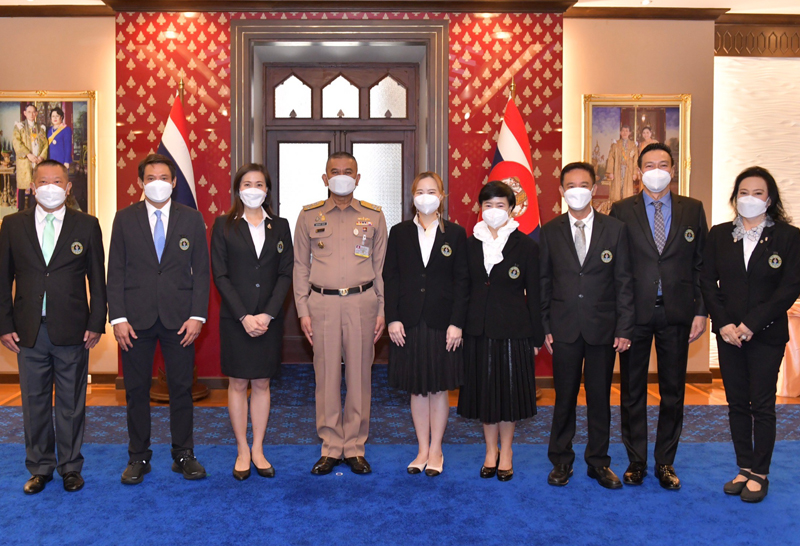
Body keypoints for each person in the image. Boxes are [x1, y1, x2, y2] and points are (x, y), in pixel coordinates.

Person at [0, 159, 106, 495]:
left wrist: (96, 322)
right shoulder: (12, 225)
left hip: (73, 330)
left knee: (71, 403)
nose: (50, 187)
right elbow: (2, 279)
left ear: (68, 187)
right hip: (28, 331)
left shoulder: (87, 225)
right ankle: (40, 468)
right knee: (34, 403)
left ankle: (71, 467)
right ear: (32, 187)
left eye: (57, 181)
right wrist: (3, 324)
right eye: (43, 181)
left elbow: (97, 279)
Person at [609, 143, 708, 490]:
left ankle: (665, 461)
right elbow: (617, 268)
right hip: (634, 314)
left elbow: (701, 265)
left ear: (673, 169)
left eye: (663, 164)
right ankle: (636, 461)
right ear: (639, 172)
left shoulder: (692, 209)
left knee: (673, 391)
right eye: (649, 165)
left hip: (677, 312)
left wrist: (701, 310)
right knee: (632, 390)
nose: (656, 170)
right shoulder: (621, 210)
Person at [107, 154, 210, 485]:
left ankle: (184, 454)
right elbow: (115, 271)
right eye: (150, 178)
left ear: (174, 182)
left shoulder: (192, 218)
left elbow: (202, 271)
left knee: (181, 388)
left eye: (164, 177)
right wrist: (118, 317)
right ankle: (138, 456)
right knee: (136, 391)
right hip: (134, 320)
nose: (157, 183)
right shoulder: (124, 218)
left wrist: (197, 316)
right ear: (140, 182)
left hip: (180, 319)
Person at [701, 166, 800, 503]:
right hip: (728, 334)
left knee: (763, 404)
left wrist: (752, 324)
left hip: (766, 334)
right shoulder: (719, 235)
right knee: (736, 403)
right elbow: (707, 283)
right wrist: (724, 323)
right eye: (744, 192)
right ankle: (743, 467)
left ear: (769, 199)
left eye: (758, 193)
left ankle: (760, 472)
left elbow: (789, 288)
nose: (750, 198)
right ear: (735, 197)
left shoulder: (788, 237)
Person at [541, 162, 634, 489]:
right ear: (561, 191)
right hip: (563, 328)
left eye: (584, 185)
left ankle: (598, 462)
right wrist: (544, 324)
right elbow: (543, 282)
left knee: (599, 398)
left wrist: (624, 327)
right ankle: (561, 460)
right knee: (564, 397)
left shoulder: (615, 229)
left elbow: (624, 282)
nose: (577, 191)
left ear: (594, 189)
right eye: (571, 186)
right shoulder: (550, 231)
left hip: (603, 328)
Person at [293, 151, 387, 475]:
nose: (341, 176)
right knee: (326, 378)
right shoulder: (308, 216)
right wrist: (302, 309)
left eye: (348, 171)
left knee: (360, 377)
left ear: (358, 178)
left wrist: (382, 309)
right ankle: (331, 447)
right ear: (325, 178)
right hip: (323, 305)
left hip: (363, 303)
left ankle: (355, 447)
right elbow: (300, 266)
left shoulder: (374, 216)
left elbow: (381, 268)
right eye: (335, 171)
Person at [457, 181, 543, 482]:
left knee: (508, 395)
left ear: (512, 209)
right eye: (488, 205)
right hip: (478, 330)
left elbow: (536, 295)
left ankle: (506, 451)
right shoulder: (469, 244)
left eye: (500, 205)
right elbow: (463, 289)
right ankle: (490, 451)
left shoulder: (527, 246)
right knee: (485, 394)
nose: (493, 211)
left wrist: (536, 337)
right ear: (480, 208)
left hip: (513, 331)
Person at [211, 164, 293, 480]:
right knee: (237, 383)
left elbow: (285, 273)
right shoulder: (224, 225)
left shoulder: (280, 226)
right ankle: (242, 449)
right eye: (247, 183)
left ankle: (258, 448)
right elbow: (220, 275)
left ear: (267, 189)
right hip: (236, 319)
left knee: (261, 383)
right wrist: (244, 316)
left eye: (259, 183)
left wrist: (267, 314)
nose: (253, 189)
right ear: (238, 189)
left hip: (268, 320)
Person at [384, 172, 468, 477]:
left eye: (432, 191)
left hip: (442, 323)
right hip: (408, 321)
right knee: (417, 388)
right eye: (420, 191)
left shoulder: (455, 234)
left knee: (438, 388)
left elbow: (462, 281)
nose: (426, 196)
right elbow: (391, 277)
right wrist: (392, 317)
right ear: (413, 197)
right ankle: (422, 449)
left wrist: (457, 322)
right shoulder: (399, 232)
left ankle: (436, 449)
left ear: (442, 196)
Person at [12, 104, 49, 211]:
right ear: (25, 113)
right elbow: (16, 142)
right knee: (23, 186)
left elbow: (45, 144)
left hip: (37, 161)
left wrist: (41, 157)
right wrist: (28, 154)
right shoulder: (19, 127)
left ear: (36, 113)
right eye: (29, 112)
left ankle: (33, 210)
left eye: (33, 112)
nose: (31, 114)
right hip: (24, 161)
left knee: (35, 186)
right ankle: (21, 210)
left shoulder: (40, 128)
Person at [606, 125, 638, 203]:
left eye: (626, 131)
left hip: (628, 170)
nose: (624, 133)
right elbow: (611, 158)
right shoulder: (615, 144)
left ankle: (626, 205)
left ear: (629, 133)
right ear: (620, 132)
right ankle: (616, 205)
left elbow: (636, 160)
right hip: (617, 169)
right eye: (623, 131)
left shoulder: (633, 145)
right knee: (616, 189)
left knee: (627, 189)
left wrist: (634, 173)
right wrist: (611, 172)